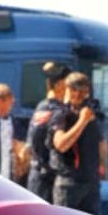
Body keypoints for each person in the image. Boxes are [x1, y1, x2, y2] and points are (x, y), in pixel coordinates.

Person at [51, 72, 106, 215]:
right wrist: (82, 122)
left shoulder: (92, 113)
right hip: (69, 183)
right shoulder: (61, 114)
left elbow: (101, 143)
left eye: (82, 91)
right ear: (66, 90)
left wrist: (101, 165)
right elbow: (61, 144)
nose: (78, 95)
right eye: (74, 90)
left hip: (91, 182)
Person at [26, 61, 70, 202]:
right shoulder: (56, 110)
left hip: (39, 174)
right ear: (59, 86)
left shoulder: (42, 106)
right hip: (47, 178)